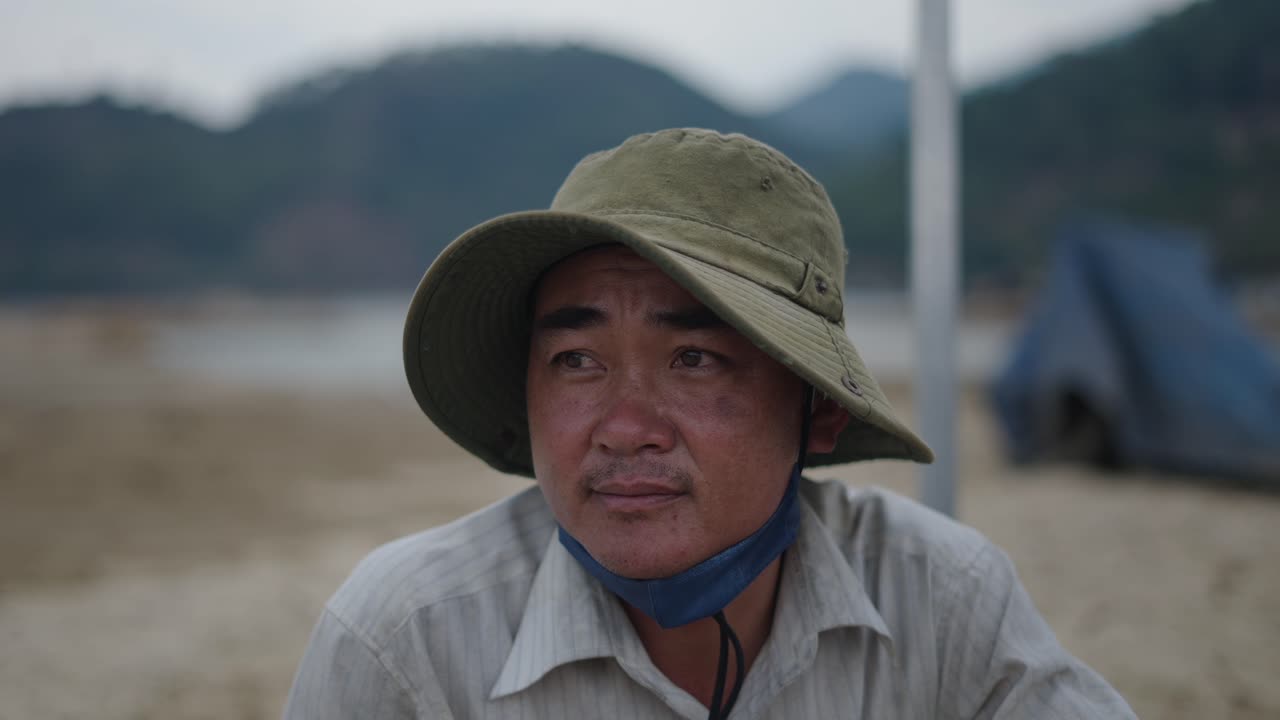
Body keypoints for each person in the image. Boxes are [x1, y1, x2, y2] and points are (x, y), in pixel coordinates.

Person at [284, 128, 1135, 719]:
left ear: (821, 409)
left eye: (694, 359)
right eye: (577, 361)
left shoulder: (943, 602)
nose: (624, 428)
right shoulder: (405, 641)